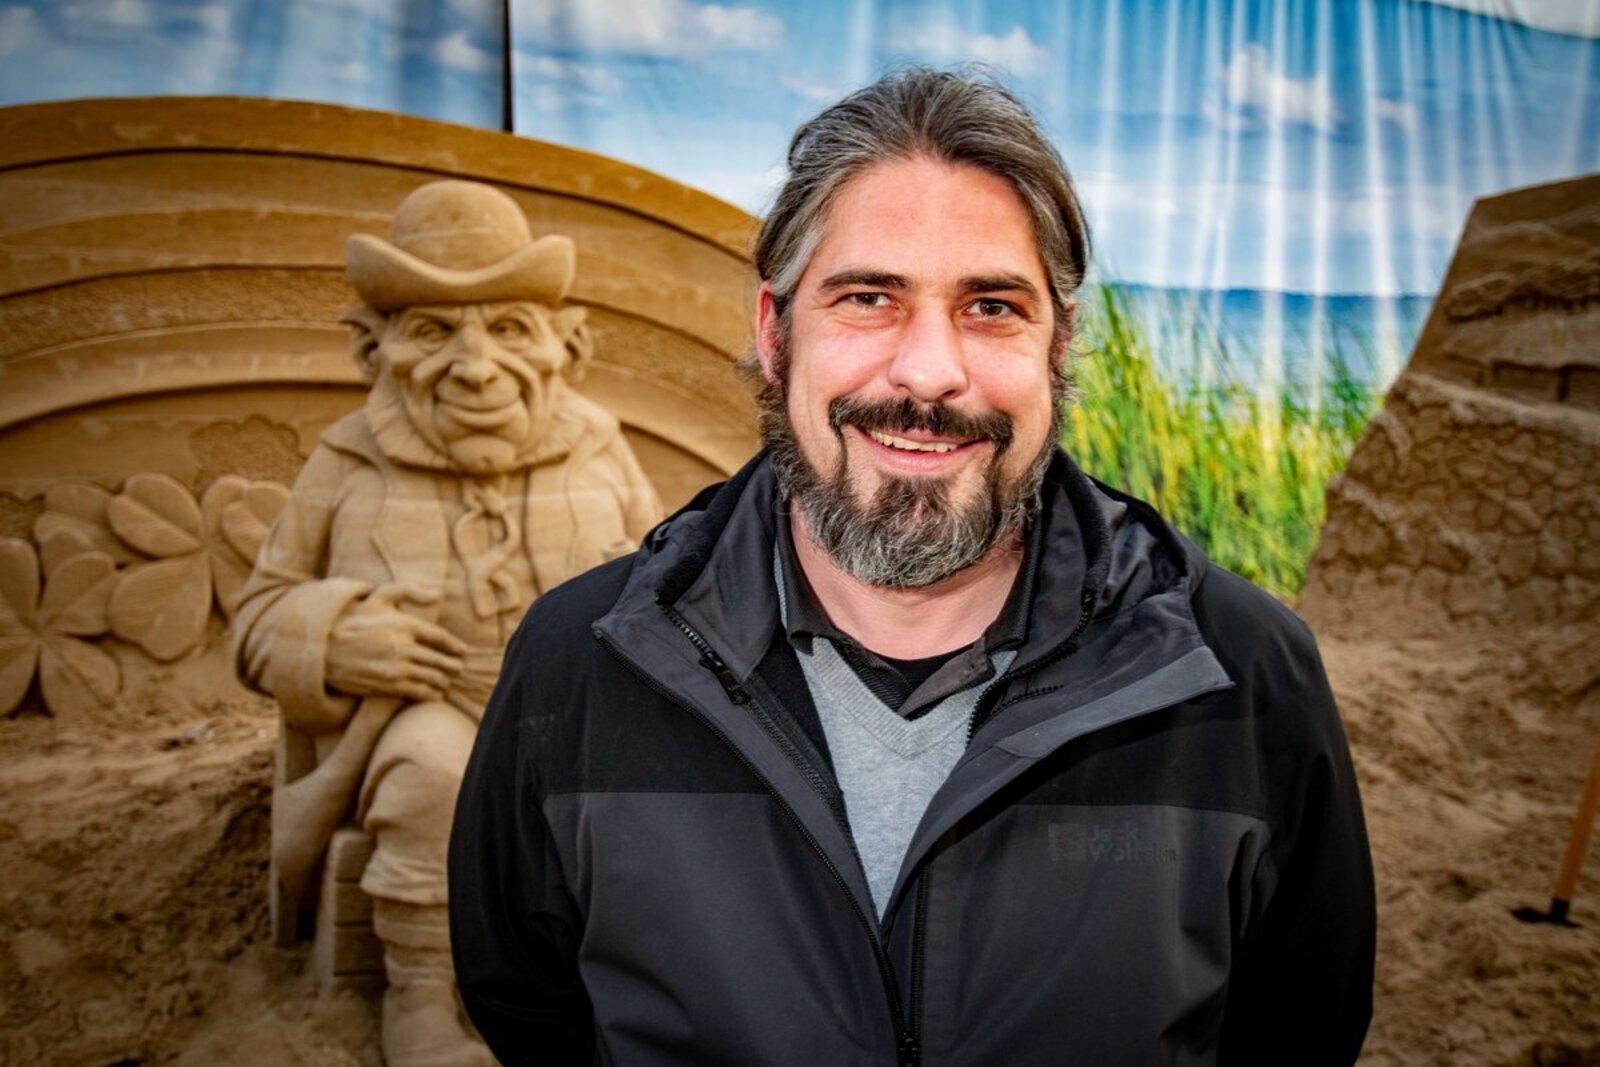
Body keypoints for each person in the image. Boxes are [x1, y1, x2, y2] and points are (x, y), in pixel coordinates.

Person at [449, 69, 1375, 1066]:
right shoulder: (581, 663)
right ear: (774, 332)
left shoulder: (1239, 672)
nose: (929, 372)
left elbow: (1298, 1028)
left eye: (991, 306)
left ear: (1058, 345)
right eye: (868, 297)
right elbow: (530, 1006)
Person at [233, 179, 660, 1067]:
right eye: (433, 331)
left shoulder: (597, 447)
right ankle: (422, 996)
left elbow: (664, 576)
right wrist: (333, 637)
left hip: (572, 709)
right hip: (428, 714)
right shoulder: (349, 459)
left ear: (567, 342)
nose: (476, 367)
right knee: (431, 779)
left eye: (510, 328)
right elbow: (259, 616)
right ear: (372, 347)